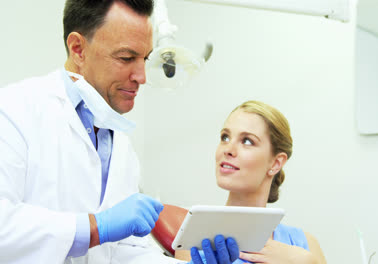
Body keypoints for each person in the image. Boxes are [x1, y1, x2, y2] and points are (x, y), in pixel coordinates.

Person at [0, 1, 186, 263]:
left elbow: (125, 251)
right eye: (126, 58)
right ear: (78, 49)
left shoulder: (119, 141)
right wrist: (95, 227)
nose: (142, 76)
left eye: (145, 58)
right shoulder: (13, 111)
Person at [175, 100, 327, 264]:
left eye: (247, 141)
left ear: (276, 163)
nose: (228, 150)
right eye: (225, 137)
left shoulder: (306, 245)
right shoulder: (194, 239)